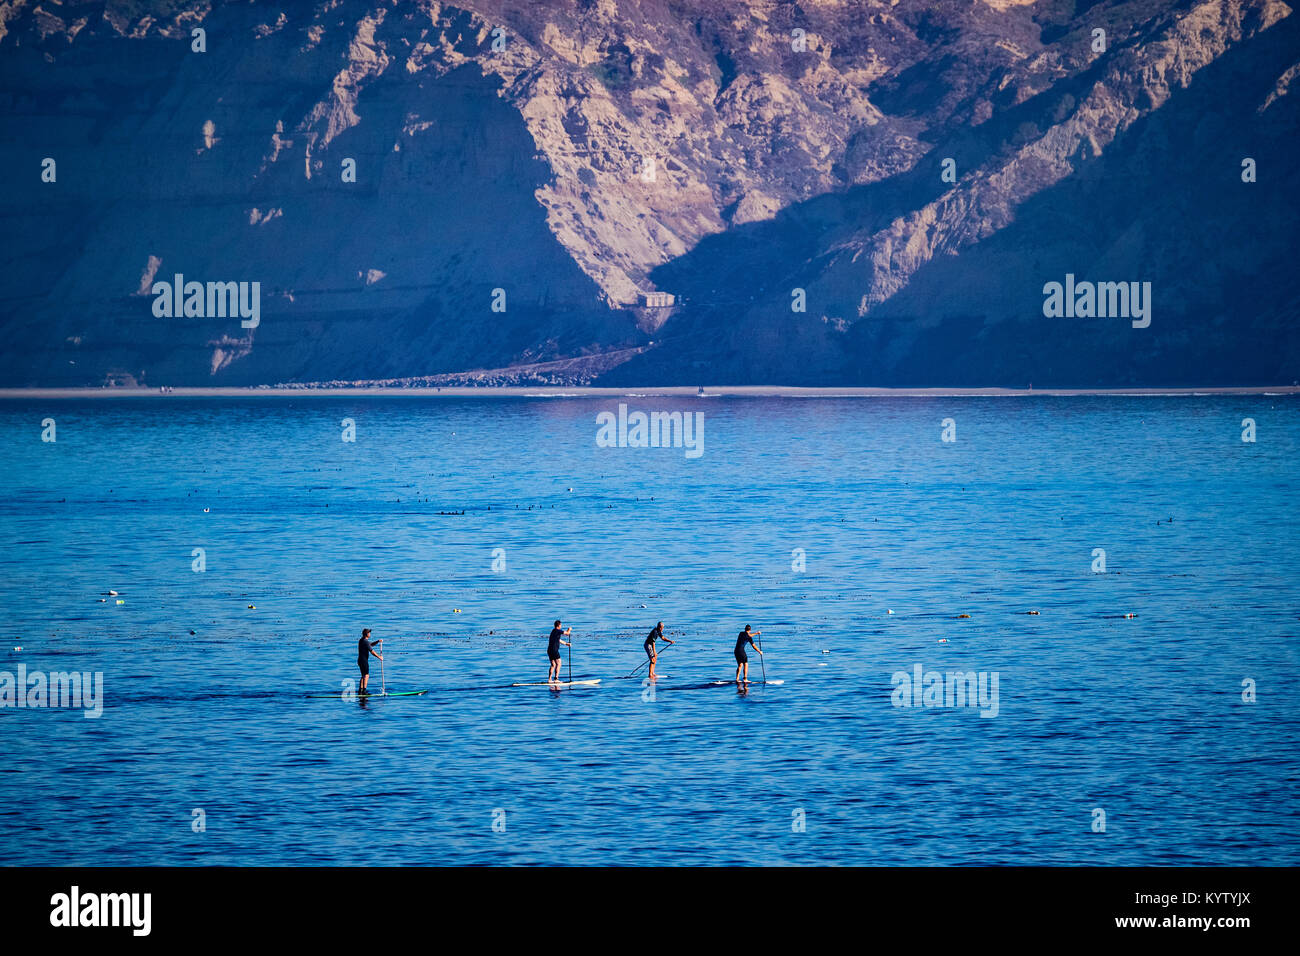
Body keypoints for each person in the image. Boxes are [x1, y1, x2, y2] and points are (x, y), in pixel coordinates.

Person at [357, 628, 383, 695]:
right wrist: (379, 657)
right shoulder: (365, 641)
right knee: (366, 675)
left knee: (363, 675)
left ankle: (361, 690)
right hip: (364, 661)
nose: (370, 634)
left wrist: (377, 641)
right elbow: (372, 652)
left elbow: (370, 644)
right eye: (369, 633)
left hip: (360, 660)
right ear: (367, 634)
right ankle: (364, 691)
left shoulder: (362, 640)